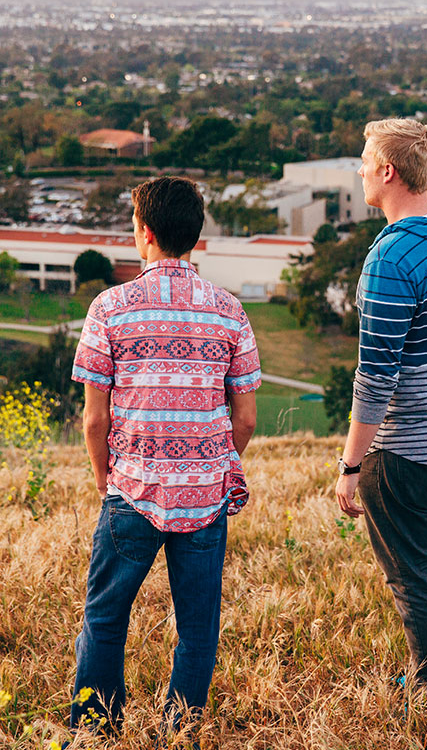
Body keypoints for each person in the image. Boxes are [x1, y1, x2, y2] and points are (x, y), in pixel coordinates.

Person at [69, 177, 261, 735]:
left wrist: (106, 476)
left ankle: (96, 732)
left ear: (144, 233)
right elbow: (245, 418)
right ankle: (181, 734)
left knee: (105, 619)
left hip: (132, 491)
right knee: (198, 630)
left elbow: (94, 418)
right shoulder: (230, 312)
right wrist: (211, 459)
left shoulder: (110, 308)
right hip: (205, 497)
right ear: (195, 238)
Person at [335, 118, 427, 698]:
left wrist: (350, 465)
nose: (362, 170)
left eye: (367, 161)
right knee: (422, 566)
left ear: (388, 172)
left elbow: (374, 378)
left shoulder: (391, 259)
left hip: (408, 452)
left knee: (415, 576)